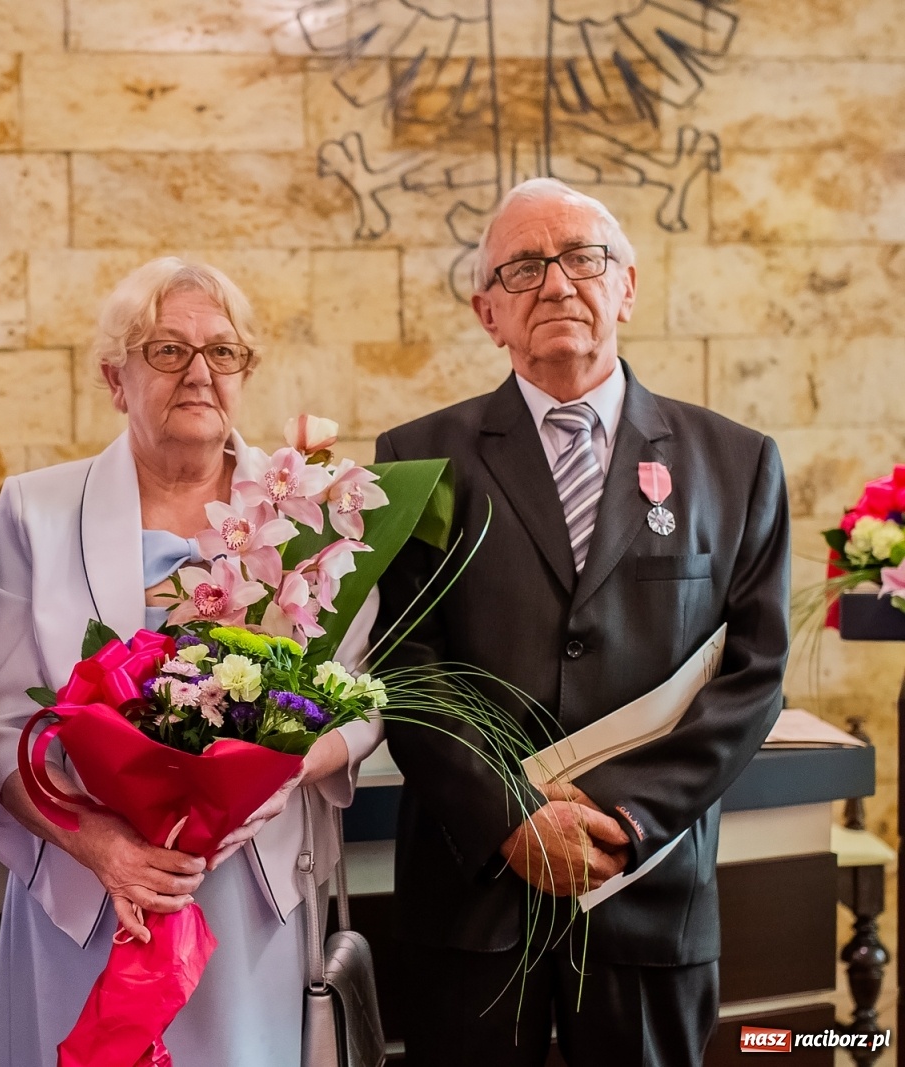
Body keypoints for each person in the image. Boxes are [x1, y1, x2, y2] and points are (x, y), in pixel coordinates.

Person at [373, 178, 791, 1066]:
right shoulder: (414, 460)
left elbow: (753, 677)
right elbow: (407, 666)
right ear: (489, 312)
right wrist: (514, 818)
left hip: (648, 891)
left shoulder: (738, 462)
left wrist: (624, 818)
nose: (557, 283)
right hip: (473, 893)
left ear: (627, 287)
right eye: (524, 267)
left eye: (583, 258)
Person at [0, 257, 384, 1067]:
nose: (198, 372)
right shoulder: (35, 512)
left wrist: (280, 768)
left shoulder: (314, 516)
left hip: (247, 888)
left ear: (244, 373)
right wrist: (103, 846)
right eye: (165, 350)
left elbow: (361, 704)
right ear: (115, 378)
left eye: (222, 353)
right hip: (86, 891)